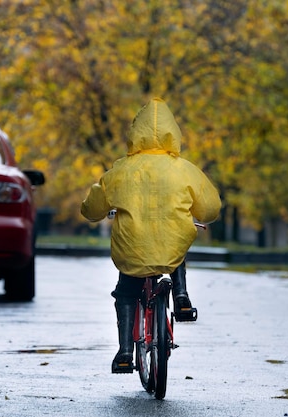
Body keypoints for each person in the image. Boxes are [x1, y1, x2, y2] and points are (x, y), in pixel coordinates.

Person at [80, 97, 222, 373]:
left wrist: (90, 211)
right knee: (176, 243)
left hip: (133, 249)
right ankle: (181, 296)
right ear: (173, 132)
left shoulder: (121, 169)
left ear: (137, 133)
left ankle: (124, 352)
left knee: (126, 291)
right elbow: (210, 209)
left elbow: (93, 208)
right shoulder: (185, 169)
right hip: (171, 247)